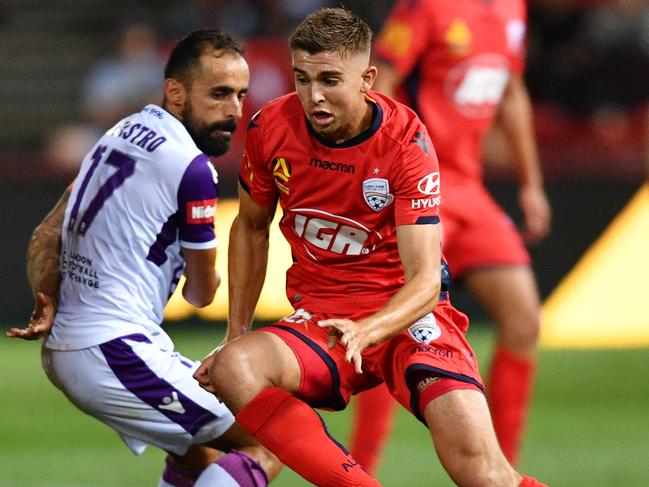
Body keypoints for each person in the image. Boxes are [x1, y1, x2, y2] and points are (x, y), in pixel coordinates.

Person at [193, 8, 547, 487]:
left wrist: (369, 329)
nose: (314, 96)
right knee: (234, 368)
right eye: (302, 78)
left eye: (330, 80)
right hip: (323, 317)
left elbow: (425, 281)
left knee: (483, 474)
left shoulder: (406, 141)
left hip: (407, 316)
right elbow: (251, 228)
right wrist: (236, 331)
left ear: (368, 79)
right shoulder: (270, 128)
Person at [6, 29, 281, 487]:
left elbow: (46, 233)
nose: (233, 111)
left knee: (198, 454)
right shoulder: (193, 169)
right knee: (269, 441)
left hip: (73, 347)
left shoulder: (118, 134)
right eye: (218, 94)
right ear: (175, 91)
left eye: (239, 95)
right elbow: (198, 293)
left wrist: (46, 294)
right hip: (113, 349)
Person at [347, 0, 553, 470]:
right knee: (391, 326)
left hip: (469, 190)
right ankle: (359, 471)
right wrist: (378, 174)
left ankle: (502, 469)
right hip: (420, 187)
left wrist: (531, 184)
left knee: (524, 319)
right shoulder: (426, 7)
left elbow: (512, 91)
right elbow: (383, 84)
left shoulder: (512, 10)